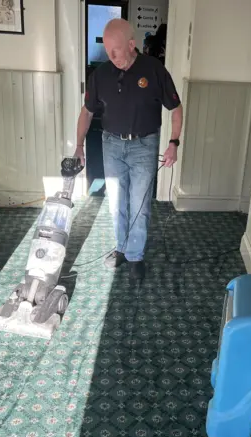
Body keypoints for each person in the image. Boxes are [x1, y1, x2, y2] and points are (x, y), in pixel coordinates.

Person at [74, 18, 183, 281]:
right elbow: (87, 113)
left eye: (116, 51)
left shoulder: (154, 70)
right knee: (116, 203)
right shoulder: (100, 75)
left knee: (140, 204)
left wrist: (173, 142)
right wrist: (78, 145)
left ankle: (135, 255)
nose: (111, 58)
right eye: (107, 51)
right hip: (111, 144)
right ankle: (121, 248)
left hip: (144, 145)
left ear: (132, 45)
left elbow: (176, 109)